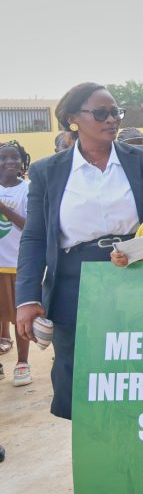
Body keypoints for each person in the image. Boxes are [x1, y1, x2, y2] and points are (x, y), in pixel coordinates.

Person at [16, 83, 143, 419]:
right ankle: (95, 459)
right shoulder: (48, 171)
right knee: (80, 374)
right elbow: (34, 237)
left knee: (142, 368)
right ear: (73, 119)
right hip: (75, 283)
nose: (112, 119)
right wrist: (27, 299)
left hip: (139, 273)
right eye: (101, 113)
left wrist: (136, 252)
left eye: (116, 111)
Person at [0, 141, 31, 385]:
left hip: (17, 263)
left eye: (14, 157)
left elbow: (29, 226)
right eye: (3, 158)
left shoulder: (27, 190)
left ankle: (22, 362)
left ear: (22, 162)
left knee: (20, 316)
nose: (10, 162)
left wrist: (3, 208)